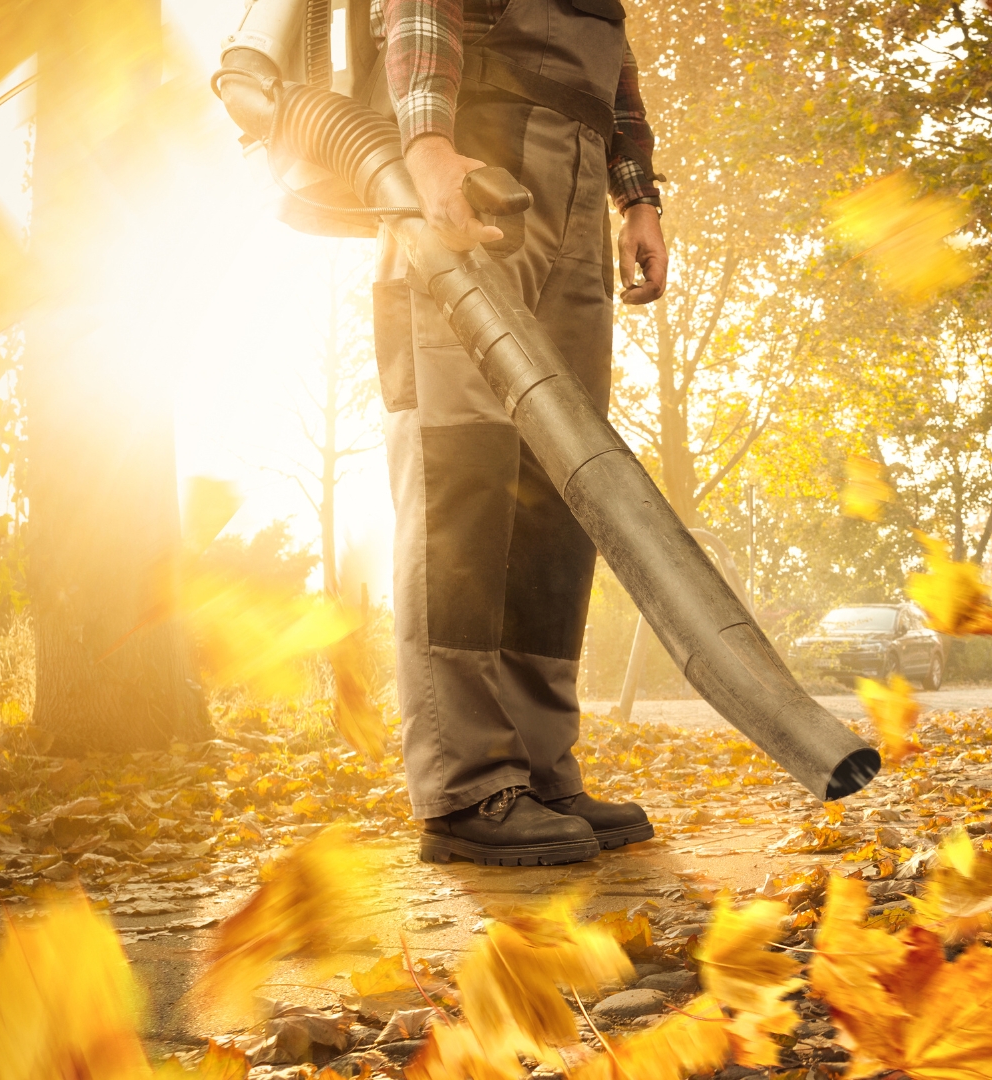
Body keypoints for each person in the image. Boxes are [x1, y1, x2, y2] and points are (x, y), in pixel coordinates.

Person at [370, 0, 668, 866]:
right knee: (462, 470)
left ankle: (539, 765)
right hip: (476, 155)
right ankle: (466, 787)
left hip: (574, 174)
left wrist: (635, 194)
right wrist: (425, 145)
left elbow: (614, 67)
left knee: (557, 490)